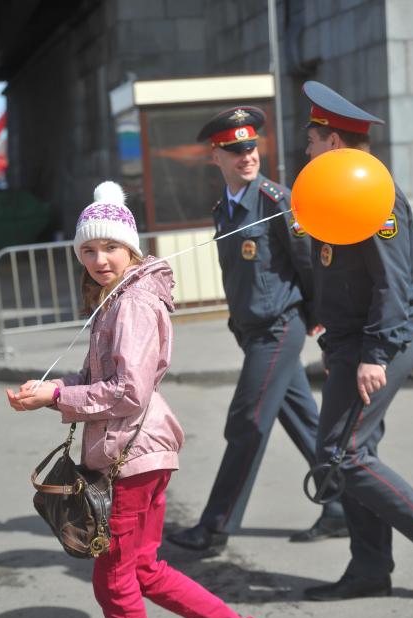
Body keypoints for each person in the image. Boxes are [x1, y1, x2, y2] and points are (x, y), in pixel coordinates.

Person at [6, 181, 281, 618]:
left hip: (130, 456)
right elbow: (98, 380)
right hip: (140, 452)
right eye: (89, 250)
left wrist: (56, 398)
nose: (99, 261)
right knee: (145, 571)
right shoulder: (116, 298)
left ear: (131, 249)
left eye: (111, 247)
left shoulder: (130, 302)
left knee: (114, 583)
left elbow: (127, 391)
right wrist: (50, 387)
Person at [168, 106, 347, 552]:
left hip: (279, 327)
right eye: (235, 150)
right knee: (307, 423)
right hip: (253, 331)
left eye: (251, 147)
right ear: (217, 156)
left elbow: (307, 262)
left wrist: (314, 316)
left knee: (246, 423)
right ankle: (342, 506)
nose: (247, 156)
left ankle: (215, 526)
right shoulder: (224, 209)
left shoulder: (275, 200)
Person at [301, 81, 413, 601]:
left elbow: (394, 282)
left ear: (331, 142)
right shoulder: (339, 186)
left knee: (343, 455)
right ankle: (370, 568)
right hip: (350, 343)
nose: (305, 149)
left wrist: (374, 355)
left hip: (381, 342)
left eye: (311, 139)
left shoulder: (373, 191)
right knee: (351, 454)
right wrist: (335, 347)